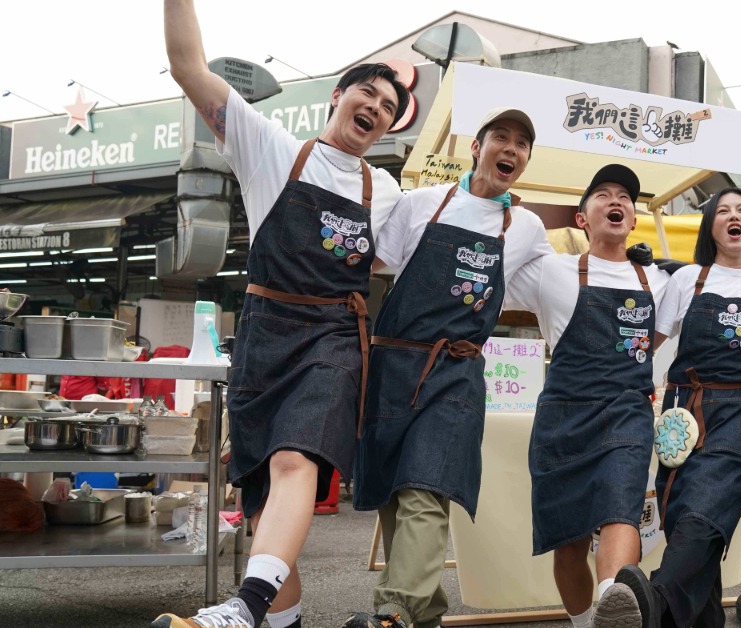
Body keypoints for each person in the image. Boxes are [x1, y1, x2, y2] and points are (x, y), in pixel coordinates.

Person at [156, 2, 408, 627]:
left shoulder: (387, 192)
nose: (375, 108)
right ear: (337, 95)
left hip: (333, 340)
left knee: (296, 459)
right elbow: (187, 66)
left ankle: (245, 608)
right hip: (264, 339)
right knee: (267, 507)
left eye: (388, 108)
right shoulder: (271, 149)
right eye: (368, 93)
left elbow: (406, 257)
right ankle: (277, 619)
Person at [343, 109, 552, 628]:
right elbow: (371, 265)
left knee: (426, 485)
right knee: (395, 492)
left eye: (522, 143)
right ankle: (425, 613)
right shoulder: (422, 204)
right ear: (477, 147)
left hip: (456, 372)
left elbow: (559, 284)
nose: (512, 148)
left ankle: (393, 612)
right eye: (501, 137)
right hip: (393, 365)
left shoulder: (523, 227)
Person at [504, 164, 671, 628]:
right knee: (568, 543)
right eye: (602, 195)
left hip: (626, 410)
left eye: (625, 197)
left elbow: (648, 343)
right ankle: (588, 623)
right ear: (582, 218)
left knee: (622, 507)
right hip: (563, 416)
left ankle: (611, 602)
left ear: (633, 219)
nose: (616, 201)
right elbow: (499, 258)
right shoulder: (549, 271)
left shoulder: (657, 280)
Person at [614, 189, 741, 628]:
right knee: (684, 519)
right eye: (722, 211)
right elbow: (645, 344)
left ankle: (651, 602)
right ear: (710, 225)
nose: (734, 216)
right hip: (683, 411)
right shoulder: (686, 279)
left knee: (704, 512)